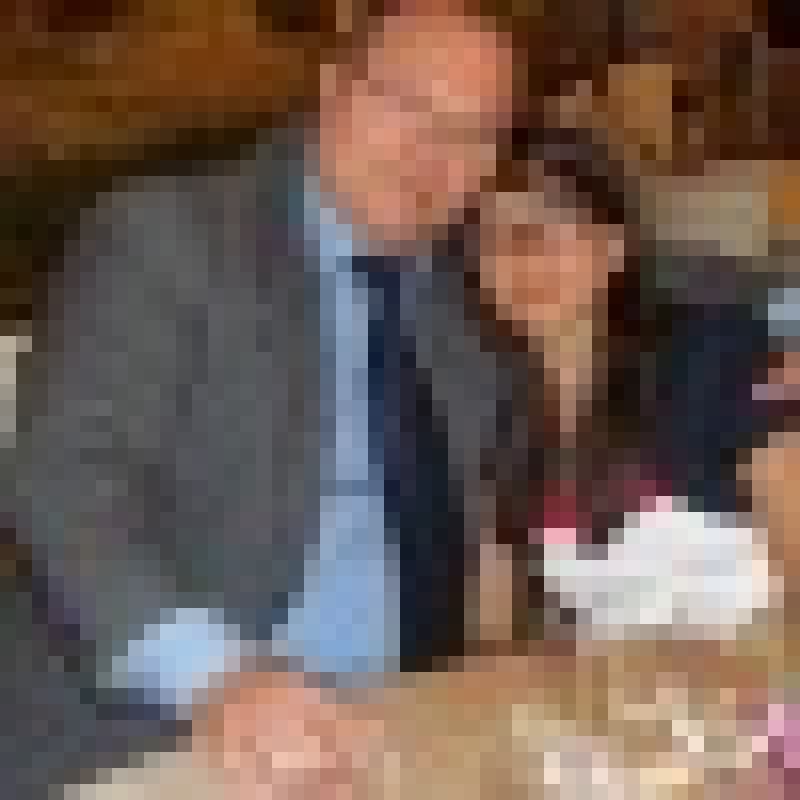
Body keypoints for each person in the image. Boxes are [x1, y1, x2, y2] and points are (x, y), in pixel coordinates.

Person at [9, 2, 522, 796]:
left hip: (399, 732)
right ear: (332, 87)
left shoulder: (464, 294)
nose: (434, 156)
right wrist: (217, 675)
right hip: (162, 730)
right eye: (407, 106)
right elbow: (64, 481)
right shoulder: (175, 240)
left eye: (475, 134)